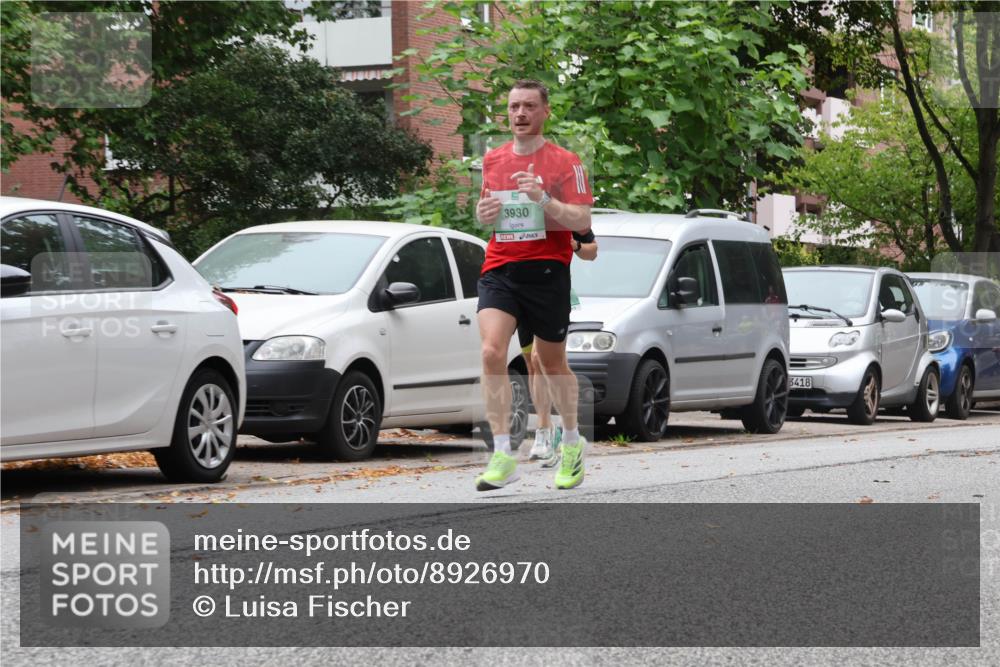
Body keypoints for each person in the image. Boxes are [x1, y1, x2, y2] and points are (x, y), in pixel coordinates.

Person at [473, 79, 594, 491]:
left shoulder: (565, 162)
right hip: (500, 267)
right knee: (491, 352)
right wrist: (483, 213)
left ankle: (572, 443)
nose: (520, 114)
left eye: (528, 106)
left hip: (547, 271)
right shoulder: (493, 159)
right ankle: (503, 454)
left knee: (552, 364)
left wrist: (543, 199)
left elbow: (581, 219)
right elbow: (490, 214)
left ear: (545, 111)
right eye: (513, 107)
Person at [523, 229, 598, 467]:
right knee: (532, 364)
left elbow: (592, 251)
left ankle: (550, 431)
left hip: (551, 292)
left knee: (542, 360)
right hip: (519, 290)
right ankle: (550, 430)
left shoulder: (562, 213)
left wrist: (575, 246)